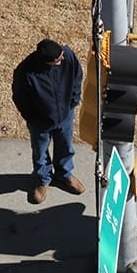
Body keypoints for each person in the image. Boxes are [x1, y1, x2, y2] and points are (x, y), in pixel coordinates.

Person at [12, 38, 85, 204]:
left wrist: (73, 101)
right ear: (46, 62)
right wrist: (34, 119)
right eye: (58, 60)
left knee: (66, 147)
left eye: (61, 56)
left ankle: (64, 174)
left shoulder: (67, 55)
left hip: (65, 115)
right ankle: (42, 180)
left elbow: (77, 76)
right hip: (40, 123)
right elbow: (20, 98)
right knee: (40, 153)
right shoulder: (26, 72)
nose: (62, 60)